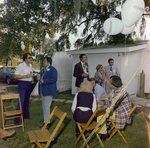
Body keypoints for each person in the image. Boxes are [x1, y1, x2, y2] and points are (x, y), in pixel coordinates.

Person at [97, 76, 132, 141]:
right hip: (119, 110)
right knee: (100, 107)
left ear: (113, 84)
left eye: (110, 82)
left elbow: (111, 105)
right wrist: (101, 103)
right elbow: (111, 102)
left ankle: (104, 134)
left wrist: (101, 107)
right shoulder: (118, 89)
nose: (109, 83)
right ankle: (105, 126)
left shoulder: (119, 93)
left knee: (100, 114)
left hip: (121, 115)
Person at [14, 53, 33, 124]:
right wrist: (25, 76)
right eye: (29, 58)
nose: (31, 59)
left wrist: (32, 79)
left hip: (29, 84)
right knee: (21, 101)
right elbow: (15, 76)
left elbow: (30, 74)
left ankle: (26, 116)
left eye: (31, 57)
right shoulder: (21, 66)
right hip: (22, 84)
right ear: (25, 59)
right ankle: (16, 119)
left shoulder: (31, 65)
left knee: (27, 101)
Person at [38, 57, 58, 128]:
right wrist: (40, 79)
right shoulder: (44, 69)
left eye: (44, 61)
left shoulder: (53, 69)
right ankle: (46, 118)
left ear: (48, 62)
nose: (43, 62)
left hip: (48, 91)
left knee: (46, 106)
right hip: (44, 90)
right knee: (44, 106)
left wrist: (44, 81)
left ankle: (47, 122)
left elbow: (54, 79)